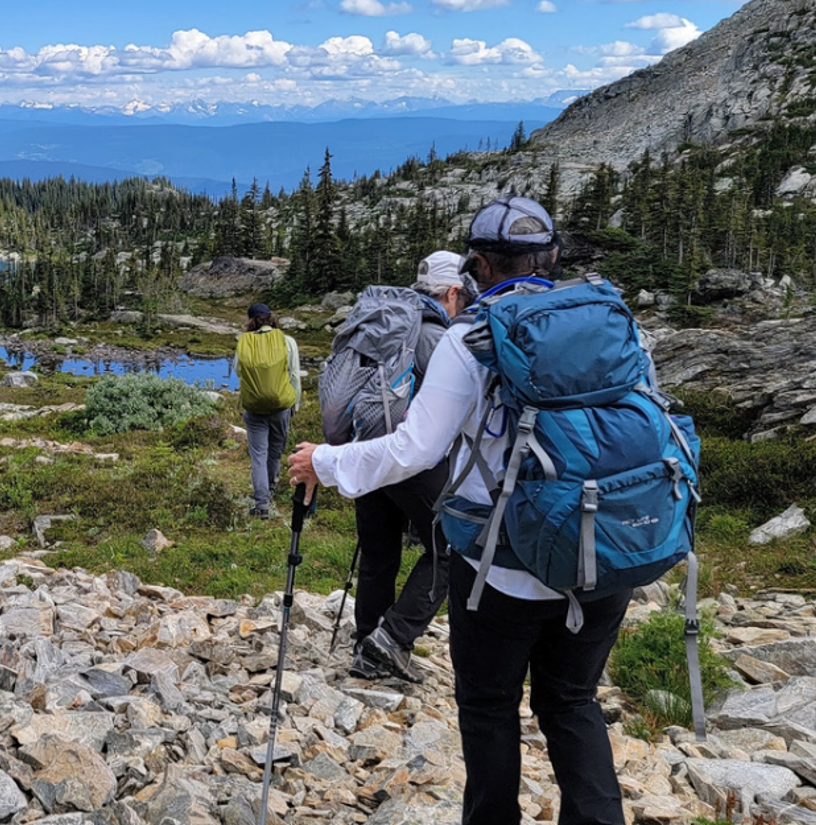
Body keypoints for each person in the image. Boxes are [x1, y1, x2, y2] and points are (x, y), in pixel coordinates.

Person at [287, 197, 630, 825]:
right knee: (572, 703)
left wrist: (327, 463)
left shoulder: (472, 338)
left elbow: (415, 448)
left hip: (507, 562)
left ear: (477, 265)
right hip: (605, 551)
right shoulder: (610, 320)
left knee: (489, 705)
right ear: (553, 258)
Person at [346, 251, 473, 684]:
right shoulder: (438, 336)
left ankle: (367, 638)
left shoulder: (387, 323)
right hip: (412, 460)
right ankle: (393, 639)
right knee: (452, 547)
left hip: (367, 452)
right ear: (452, 292)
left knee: (378, 551)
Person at [236, 303, 301, 517]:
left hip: (254, 409)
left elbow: (238, 371)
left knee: (258, 456)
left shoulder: (244, 342)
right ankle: (270, 491)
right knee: (274, 452)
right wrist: (295, 404)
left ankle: (261, 504)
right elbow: (293, 375)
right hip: (281, 407)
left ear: (251, 321)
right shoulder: (287, 341)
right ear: (270, 317)